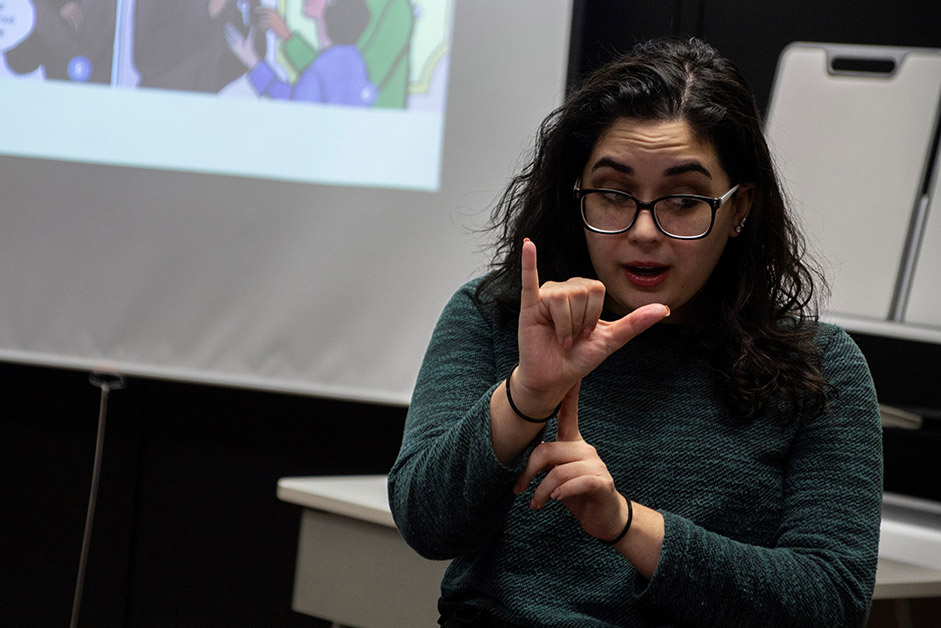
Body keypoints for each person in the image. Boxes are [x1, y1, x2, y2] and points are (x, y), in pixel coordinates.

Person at [387, 37, 882, 627]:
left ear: (739, 208)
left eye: (683, 199)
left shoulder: (819, 367)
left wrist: (626, 523)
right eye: (615, 194)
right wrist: (527, 395)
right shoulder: (497, 317)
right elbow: (425, 521)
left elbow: (831, 602)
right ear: (578, 196)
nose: (644, 231)